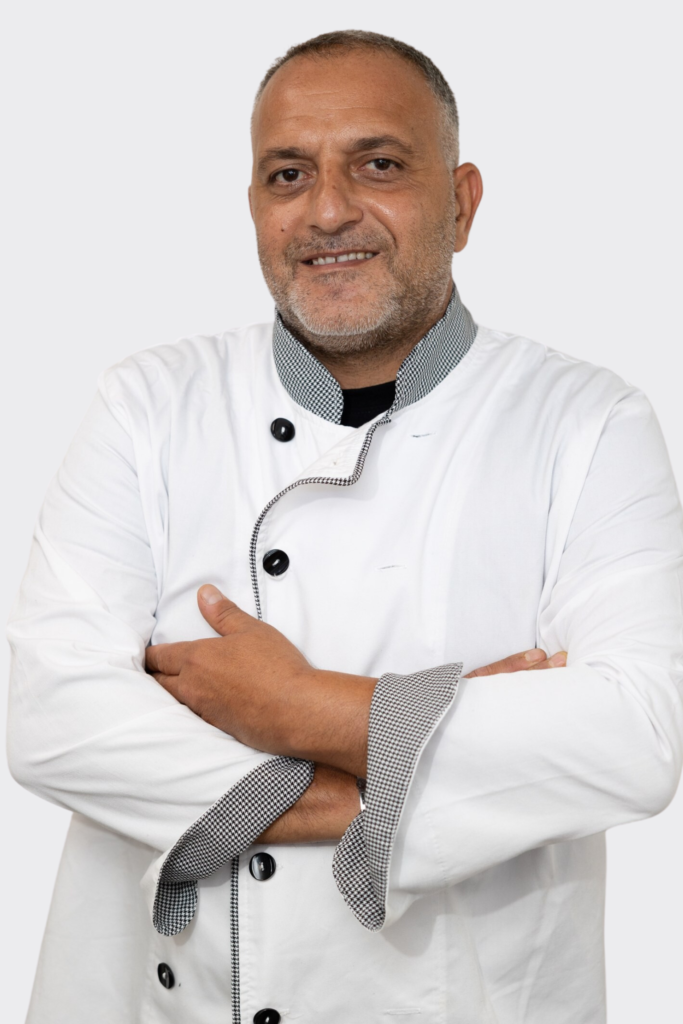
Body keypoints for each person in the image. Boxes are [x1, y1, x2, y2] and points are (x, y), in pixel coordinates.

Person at [7, 28, 683, 1024]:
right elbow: (52, 721)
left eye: (378, 165)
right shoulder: (147, 403)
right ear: (254, 206)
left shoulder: (586, 422)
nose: (327, 210)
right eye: (288, 174)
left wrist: (302, 706)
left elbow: (634, 736)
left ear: (461, 203)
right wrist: (379, 782)